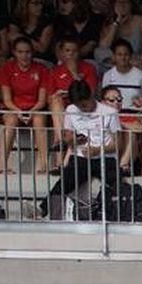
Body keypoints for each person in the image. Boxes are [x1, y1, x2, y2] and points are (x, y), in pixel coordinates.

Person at [39, 80, 119, 220]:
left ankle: (117, 214)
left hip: (105, 157)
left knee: (116, 186)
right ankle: (42, 210)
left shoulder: (110, 112)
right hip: (81, 156)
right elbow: (68, 136)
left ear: (91, 95)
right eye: (79, 106)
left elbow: (117, 144)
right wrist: (74, 140)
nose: (83, 109)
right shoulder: (71, 110)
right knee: (64, 183)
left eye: (85, 105)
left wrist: (98, 150)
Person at [0, 36, 51, 175]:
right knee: (10, 121)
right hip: (13, 108)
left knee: (39, 120)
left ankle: (43, 166)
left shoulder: (41, 69)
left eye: (27, 52)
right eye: (20, 52)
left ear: (32, 52)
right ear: (14, 52)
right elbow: (7, 99)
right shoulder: (7, 68)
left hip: (36, 108)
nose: (24, 56)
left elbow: (42, 100)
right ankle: (2, 166)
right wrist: (19, 111)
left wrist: (31, 111)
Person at [99, 38, 142, 173]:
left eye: (126, 54)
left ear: (131, 56)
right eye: (119, 54)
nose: (123, 57)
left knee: (136, 131)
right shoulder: (108, 75)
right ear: (114, 57)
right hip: (114, 113)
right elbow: (104, 100)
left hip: (135, 113)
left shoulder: (140, 75)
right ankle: (122, 165)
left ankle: (135, 166)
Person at [46, 37, 100, 139]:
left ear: (79, 52)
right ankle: (61, 139)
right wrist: (58, 94)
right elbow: (49, 99)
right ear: (62, 53)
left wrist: (74, 73)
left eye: (74, 51)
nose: (71, 54)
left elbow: (90, 93)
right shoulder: (55, 71)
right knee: (56, 101)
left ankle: (61, 140)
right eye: (67, 50)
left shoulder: (89, 68)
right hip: (62, 106)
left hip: (82, 104)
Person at [96, 0, 142, 71]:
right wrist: (116, 22)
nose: (122, 5)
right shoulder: (110, 23)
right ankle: (124, 65)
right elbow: (104, 46)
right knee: (98, 51)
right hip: (117, 61)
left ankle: (127, 65)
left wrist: (138, 59)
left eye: (125, 2)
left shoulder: (141, 21)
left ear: (131, 5)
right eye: (118, 2)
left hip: (136, 59)